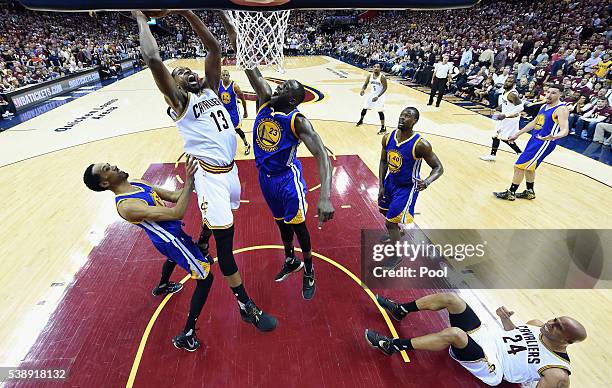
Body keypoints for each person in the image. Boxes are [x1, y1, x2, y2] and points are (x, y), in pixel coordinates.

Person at [133, 10, 276, 332]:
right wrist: (141, 17)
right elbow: (153, 59)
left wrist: (186, 11)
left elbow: (213, 49)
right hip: (210, 178)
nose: (189, 73)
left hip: (230, 173)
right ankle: (245, 305)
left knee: (222, 222)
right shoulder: (180, 103)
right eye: (181, 73)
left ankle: (202, 235)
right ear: (175, 86)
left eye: (188, 69)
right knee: (226, 247)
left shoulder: (210, 89)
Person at [221, 11, 334, 300]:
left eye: (285, 88)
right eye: (280, 85)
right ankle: (290, 259)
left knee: (298, 226)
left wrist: (325, 196)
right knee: (281, 224)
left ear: (294, 99)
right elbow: (248, 63)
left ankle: (309, 267)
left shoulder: (298, 121)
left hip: (287, 179)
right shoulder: (264, 99)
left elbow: (321, 154)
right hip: (265, 178)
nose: (279, 87)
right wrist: (228, 20)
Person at [83, 157, 214, 351]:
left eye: (110, 163)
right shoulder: (127, 206)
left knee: (173, 258)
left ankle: (163, 285)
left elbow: (174, 196)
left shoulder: (137, 182)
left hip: (171, 233)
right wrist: (189, 180)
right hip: (171, 240)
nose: (114, 165)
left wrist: (199, 183)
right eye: (107, 168)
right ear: (104, 183)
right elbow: (177, 212)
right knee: (206, 278)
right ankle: (187, 334)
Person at [366, 292, 586, 387]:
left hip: (492, 366)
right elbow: (516, 336)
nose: (551, 322)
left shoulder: (557, 372)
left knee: (456, 334)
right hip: (487, 337)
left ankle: (392, 346)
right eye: (555, 318)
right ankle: (401, 309)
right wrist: (504, 320)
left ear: (566, 341)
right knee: (452, 299)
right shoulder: (539, 325)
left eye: (558, 327)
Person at [377, 107, 443, 268]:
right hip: (390, 182)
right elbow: (384, 161)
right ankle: (397, 231)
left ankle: (396, 256)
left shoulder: (421, 145)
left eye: (407, 116)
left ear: (415, 121)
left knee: (389, 223)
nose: (402, 118)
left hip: (407, 188)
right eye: (401, 114)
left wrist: (427, 181)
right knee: (383, 210)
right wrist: (380, 185)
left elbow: (438, 168)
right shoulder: (387, 138)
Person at [493, 84, 569, 201]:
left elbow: (565, 129)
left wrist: (554, 136)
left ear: (561, 94)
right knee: (530, 167)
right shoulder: (544, 106)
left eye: (553, 93)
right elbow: (534, 122)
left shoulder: (561, 109)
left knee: (519, 166)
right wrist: (517, 134)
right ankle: (529, 192)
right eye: (548, 92)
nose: (549, 95)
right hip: (535, 139)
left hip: (544, 142)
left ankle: (511, 192)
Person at [480, 78, 524, 161]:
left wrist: (505, 115)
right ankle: (493, 155)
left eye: (510, 81)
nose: (507, 82)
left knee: (505, 138)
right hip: (505, 118)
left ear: (514, 84)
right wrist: (497, 109)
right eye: (507, 81)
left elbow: (520, 107)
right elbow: (506, 103)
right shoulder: (505, 91)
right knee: (495, 136)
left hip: (511, 119)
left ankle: (520, 153)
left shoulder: (512, 94)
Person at [219, 69, 251, 155]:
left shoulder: (235, 86)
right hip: (224, 111)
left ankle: (246, 144)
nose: (225, 76)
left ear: (229, 76)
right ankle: (226, 146)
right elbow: (218, 97)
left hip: (233, 111)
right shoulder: (219, 85)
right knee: (224, 130)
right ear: (221, 77)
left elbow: (243, 99)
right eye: (223, 75)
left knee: (237, 129)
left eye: (226, 75)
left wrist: (245, 111)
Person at [356, 63, 388, 135]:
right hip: (372, 94)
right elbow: (365, 84)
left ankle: (383, 128)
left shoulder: (382, 77)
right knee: (365, 107)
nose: (376, 68)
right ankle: (361, 120)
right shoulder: (369, 75)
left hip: (380, 96)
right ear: (373, 68)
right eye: (375, 67)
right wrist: (363, 90)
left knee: (380, 111)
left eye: (378, 67)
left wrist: (378, 96)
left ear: (380, 69)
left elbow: (385, 88)